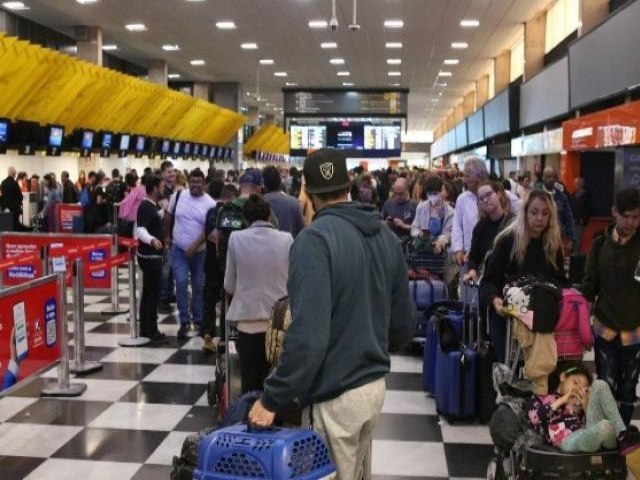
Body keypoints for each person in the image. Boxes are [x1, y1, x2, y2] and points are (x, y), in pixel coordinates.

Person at [249, 149, 415, 480]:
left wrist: (272, 398)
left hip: (334, 393)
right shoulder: (385, 236)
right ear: (348, 184)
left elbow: (308, 337)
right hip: (373, 387)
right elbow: (404, 327)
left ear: (305, 190)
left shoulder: (314, 241)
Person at [480, 190, 567, 394]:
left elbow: (561, 282)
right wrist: (495, 301)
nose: (539, 218)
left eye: (545, 213)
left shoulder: (553, 244)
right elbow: (488, 282)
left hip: (542, 311)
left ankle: (539, 386)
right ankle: (538, 384)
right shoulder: (508, 240)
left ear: (551, 216)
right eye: (534, 212)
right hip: (509, 314)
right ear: (525, 213)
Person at [224, 194, 293, 392]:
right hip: (280, 325)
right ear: (269, 215)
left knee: (250, 385)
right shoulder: (287, 239)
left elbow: (229, 285)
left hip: (248, 324)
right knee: (276, 386)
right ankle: (276, 421)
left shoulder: (236, 239)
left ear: (245, 219)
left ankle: (250, 421)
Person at [583, 188, 640, 426]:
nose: (631, 222)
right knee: (605, 383)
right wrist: (583, 327)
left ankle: (623, 434)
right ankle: (606, 434)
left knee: (629, 386)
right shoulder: (599, 246)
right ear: (614, 212)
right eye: (626, 215)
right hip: (605, 328)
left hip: (635, 330)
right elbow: (589, 288)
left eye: (636, 217)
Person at [527, 363, 640, 454]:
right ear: (563, 377)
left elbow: (590, 424)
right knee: (605, 426)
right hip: (567, 441)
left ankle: (622, 435)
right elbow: (535, 419)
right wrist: (562, 400)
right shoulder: (542, 398)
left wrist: (585, 404)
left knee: (599, 384)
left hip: (591, 434)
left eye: (582, 388)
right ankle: (621, 434)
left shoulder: (579, 401)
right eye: (575, 382)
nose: (577, 388)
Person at [463, 181, 514, 361]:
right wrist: (472, 271)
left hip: (512, 286)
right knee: (493, 334)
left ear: (499, 194)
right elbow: (474, 256)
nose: (485, 200)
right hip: (490, 288)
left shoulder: (514, 224)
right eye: (481, 198)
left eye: (488, 194)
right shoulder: (481, 227)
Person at [164, 168, 216, 338]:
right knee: (179, 282)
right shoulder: (178, 196)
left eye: (198, 182)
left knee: (198, 286)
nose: (195, 185)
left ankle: (199, 319)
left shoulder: (210, 204)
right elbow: (168, 216)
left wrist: (194, 245)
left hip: (200, 252)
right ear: (188, 182)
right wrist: (167, 237)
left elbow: (209, 230)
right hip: (178, 249)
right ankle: (184, 321)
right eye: (192, 182)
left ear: (204, 184)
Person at [203, 184, 239, 352]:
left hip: (216, 262)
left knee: (215, 299)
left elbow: (211, 235)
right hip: (221, 263)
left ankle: (214, 335)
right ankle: (215, 336)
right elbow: (212, 236)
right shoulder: (217, 212)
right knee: (220, 299)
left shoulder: (212, 212)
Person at [135, 173, 169, 345]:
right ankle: (151, 329)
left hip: (151, 256)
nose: (163, 189)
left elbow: (152, 221)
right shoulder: (146, 206)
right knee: (152, 293)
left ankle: (147, 328)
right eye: (161, 186)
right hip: (149, 257)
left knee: (149, 292)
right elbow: (140, 229)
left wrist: (163, 211)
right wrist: (153, 240)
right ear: (155, 188)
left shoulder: (150, 206)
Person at [410, 176, 454, 254]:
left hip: (442, 251)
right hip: (423, 249)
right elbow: (414, 228)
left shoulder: (450, 212)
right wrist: (420, 234)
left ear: (440, 191)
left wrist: (440, 242)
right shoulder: (421, 207)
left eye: (435, 193)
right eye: (429, 194)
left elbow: (448, 233)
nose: (432, 196)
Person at [262, 166, 305, 238]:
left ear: (264, 185)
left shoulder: (259, 203)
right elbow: (301, 231)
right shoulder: (294, 203)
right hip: (290, 247)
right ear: (280, 183)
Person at [159, 160, 178, 313]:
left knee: (171, 265)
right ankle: (162, 297)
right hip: (163, 232)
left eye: (173, 171)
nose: (172, 174)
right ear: (163, 174)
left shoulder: (173, 189)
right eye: (168, 172)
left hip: (172, 231)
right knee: (166, 266)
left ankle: (170, 293)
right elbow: (167, 209)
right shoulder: (162, 190)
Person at [541, 166, 574, 247]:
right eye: (548, 177)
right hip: (540, 235)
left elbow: (568, 217)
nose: (551, 179)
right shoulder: (535, 195)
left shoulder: (562, 197)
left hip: (558, 236)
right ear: (543, 178)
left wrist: (569, 237)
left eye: (553, 177)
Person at [381, 178, 417, 242]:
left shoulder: (415, 205)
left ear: (407, 190)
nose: (398, 197)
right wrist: (386, 223)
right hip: (390, 241)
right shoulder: (388, 203)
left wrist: (403, 225)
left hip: (407, 242)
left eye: (401, 194)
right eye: (396, 193)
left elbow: (419, 229)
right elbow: (379, 223)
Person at [570, 177, 590, 253]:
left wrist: (583, 219)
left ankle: (576, 256)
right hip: (572, 221)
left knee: (577, 239)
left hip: (579, 222)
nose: (574, 185)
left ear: (580, 184)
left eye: (576, 183)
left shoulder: (587, 196)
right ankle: (573, 255)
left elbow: (588, 209)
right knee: (572, 239)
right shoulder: (573, 195)